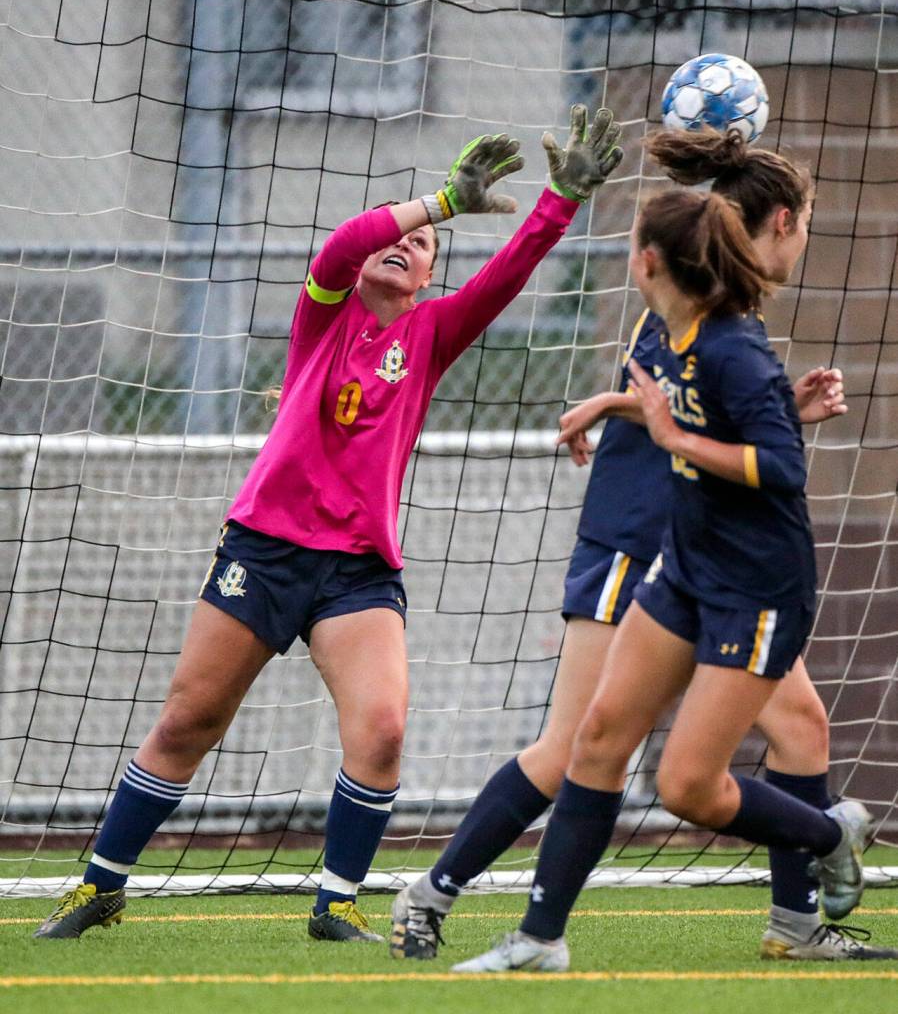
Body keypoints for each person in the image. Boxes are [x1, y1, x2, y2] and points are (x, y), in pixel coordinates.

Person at [32, 106, 624, 941]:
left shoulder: (432, 332)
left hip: (356, 570)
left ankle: (336, 903)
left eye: (422, 249)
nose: (405, 246)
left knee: (382, 732)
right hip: (265, 551)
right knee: (186, 723)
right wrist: (443, 205)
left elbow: (511, 273)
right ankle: (99, 886)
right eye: (404, 233)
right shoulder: (326, 312)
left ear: (428, 281)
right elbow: (346, 240)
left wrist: (560, 199)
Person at [391, 130, 895, 964]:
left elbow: (711, 424)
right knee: (583, 745)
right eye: (805, 221)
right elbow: (695, 425)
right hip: (647, 537)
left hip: (718, 553)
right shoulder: (702, 317)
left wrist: (625, 407)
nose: (805, 239)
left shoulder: (719, 325)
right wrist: (633, 411)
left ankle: (798, 923)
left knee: (798, 725)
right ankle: (437, 892)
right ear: (775, 223)